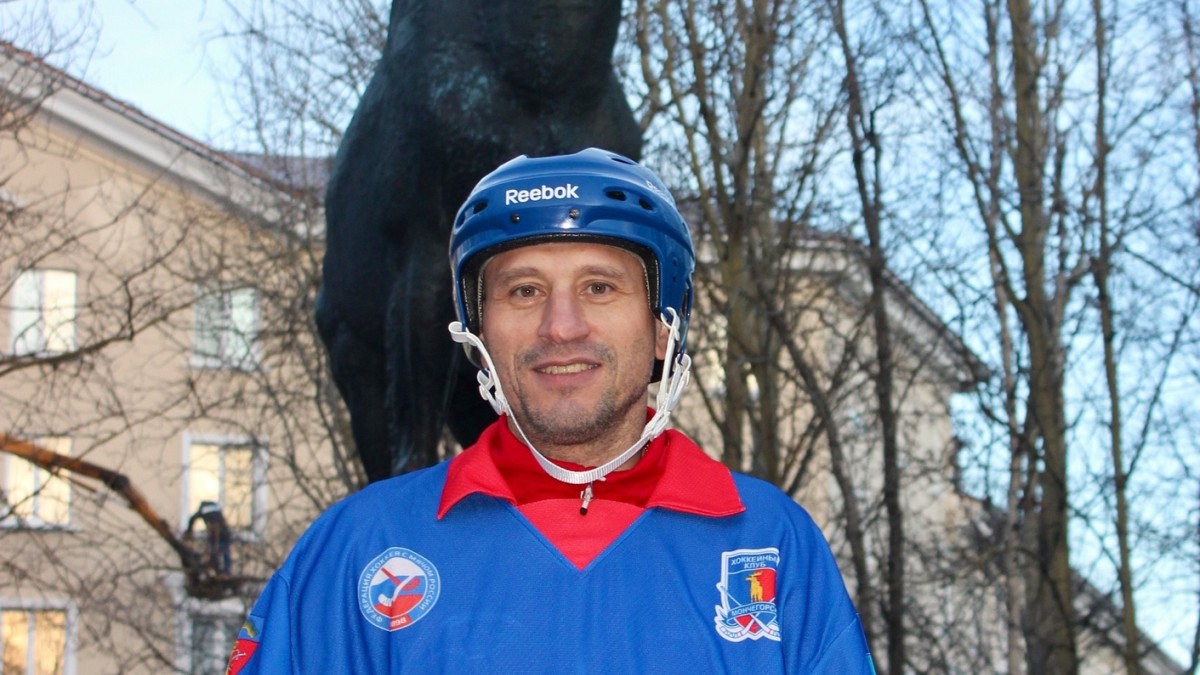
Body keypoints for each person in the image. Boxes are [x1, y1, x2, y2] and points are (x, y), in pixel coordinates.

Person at [226, 148, 875, 673]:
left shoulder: (774, 544)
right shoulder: (358, 547)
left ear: (663, 328)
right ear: (478, 334)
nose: (561, 325)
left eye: (599, 286)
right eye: (524, 290)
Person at [185, 500, 232, 574]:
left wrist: (189, 531)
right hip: (223, 534)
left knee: (218, 551)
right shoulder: (215, 510)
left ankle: (223, 571)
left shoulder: (204, 511)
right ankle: (224, 571)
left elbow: (193, 518)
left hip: (221, 534)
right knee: (222, 552)